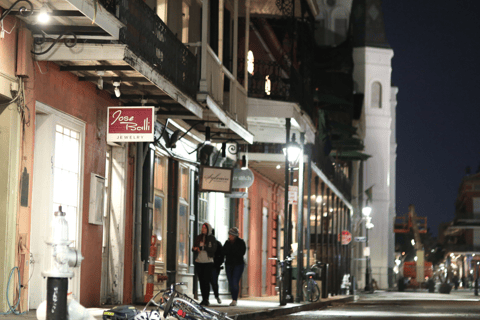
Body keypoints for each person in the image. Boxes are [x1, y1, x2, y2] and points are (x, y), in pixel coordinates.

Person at [192, 222, 217, 306]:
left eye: (205, 228)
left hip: (208, 262)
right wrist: (195, 248)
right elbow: (194, 247)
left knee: (206, 281)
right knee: (201, 281)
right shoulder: (199, 237)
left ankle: (206, 298)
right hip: (199, 261)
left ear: (208, 229)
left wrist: (203, 247)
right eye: (202, 228)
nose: (203, 230)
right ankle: (203, 298)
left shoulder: (211, 238)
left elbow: (213, 249)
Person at [223, 227, 246, 306]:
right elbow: (224, 252)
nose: (230, 236)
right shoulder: (227, 242)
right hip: (229, 264)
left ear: (235, 235)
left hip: (238, 265)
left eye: (231, 234)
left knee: (235, 281)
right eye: (229, 234)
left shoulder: (241, 242)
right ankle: (233, 298)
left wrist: (231, 253)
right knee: (231, 281)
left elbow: (241, 252)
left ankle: (234, 299)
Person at [210, 229, 224, 304]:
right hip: (209, 264)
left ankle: (216, 296)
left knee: (214, 281)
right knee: (211, 281)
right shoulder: (217, 243)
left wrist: (218, 263)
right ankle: (208, 298)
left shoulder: (217, 244)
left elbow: (221, 255)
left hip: (214, 265)